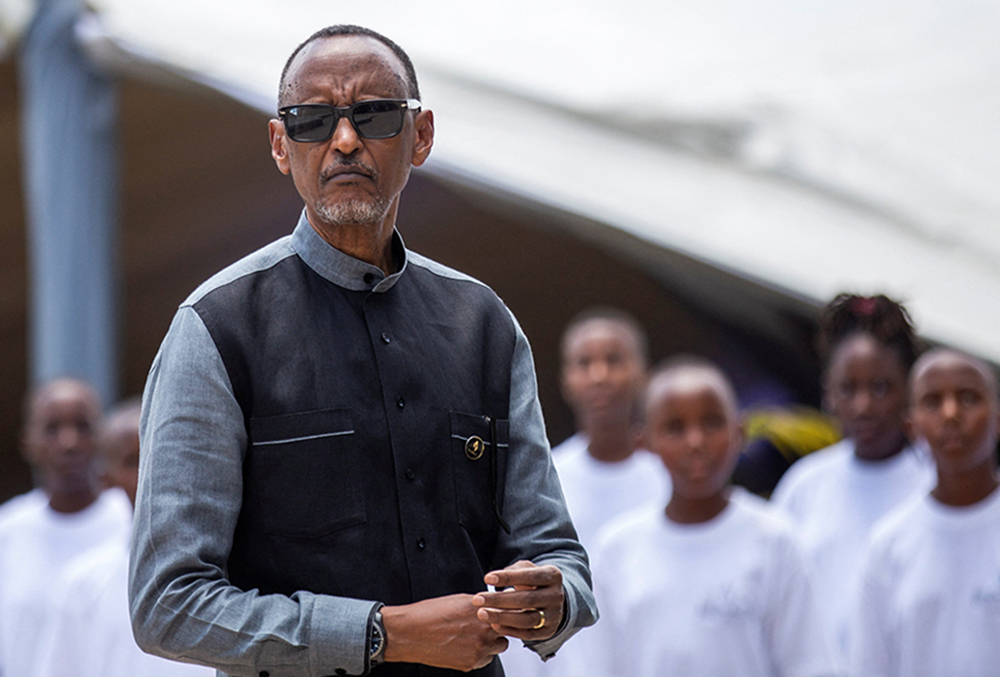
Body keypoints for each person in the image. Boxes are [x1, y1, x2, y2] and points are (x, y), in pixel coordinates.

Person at [129, 24, 596, 677]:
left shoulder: (482, 323)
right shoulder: (216, 327)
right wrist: (383, 634)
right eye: (312, 120)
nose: (344, 141)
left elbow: (558, 557)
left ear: (422, 135)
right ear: (280, 145)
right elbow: (167, 605)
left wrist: (551, 600)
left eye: (373, 115)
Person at [585, 357, 840, 677]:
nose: (695, 442)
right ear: (645, 443)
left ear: (740, 432)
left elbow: (810, 664)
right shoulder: (616, 550)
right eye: (675, 428)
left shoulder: (775, 539)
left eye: (711, 423)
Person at [502, 309, 667, 676]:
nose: (599, 375)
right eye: (583, 362)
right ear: (565, 380)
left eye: (614, 360)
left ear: (643, 373)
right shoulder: (540, 480)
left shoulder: (670, 484)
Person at [770, 293, 934, 660]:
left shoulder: (936, 484)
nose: (863, 406)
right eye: (848, 388)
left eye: (880, 388)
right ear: (828, 393)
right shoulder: (804, 486)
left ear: (908, 390)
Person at [34, 399, 214, 677]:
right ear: (106, 478)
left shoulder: (222, 575)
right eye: (133, 461)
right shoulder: (82, 585)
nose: (151, 472)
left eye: (161, 455)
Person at [851, 349, 1000, 676]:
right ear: (912, 425)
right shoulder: (889, 546)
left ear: (998, 416)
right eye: (932, 402)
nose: (950, 413)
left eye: (969, 398)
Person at [0, 378, 132, 677]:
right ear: (27, 443)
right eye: (52, 428)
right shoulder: (7, 533)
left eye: (82, 426)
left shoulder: (131, 525)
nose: (68, 442)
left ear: (102, 439)